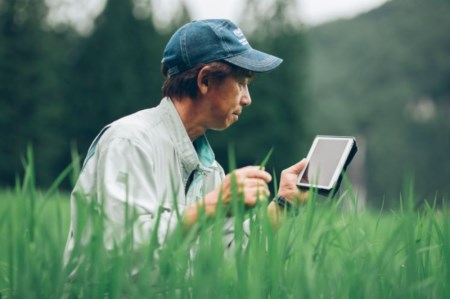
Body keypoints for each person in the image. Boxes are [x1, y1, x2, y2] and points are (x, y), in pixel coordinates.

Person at [64, 19, 307, 263]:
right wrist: (210, 207)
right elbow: (120, 250)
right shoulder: (130, 141)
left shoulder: (211, 171)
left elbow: (224, 261)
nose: (247, 99)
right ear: (205, 81)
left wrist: (285, 203)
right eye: (242, 83)